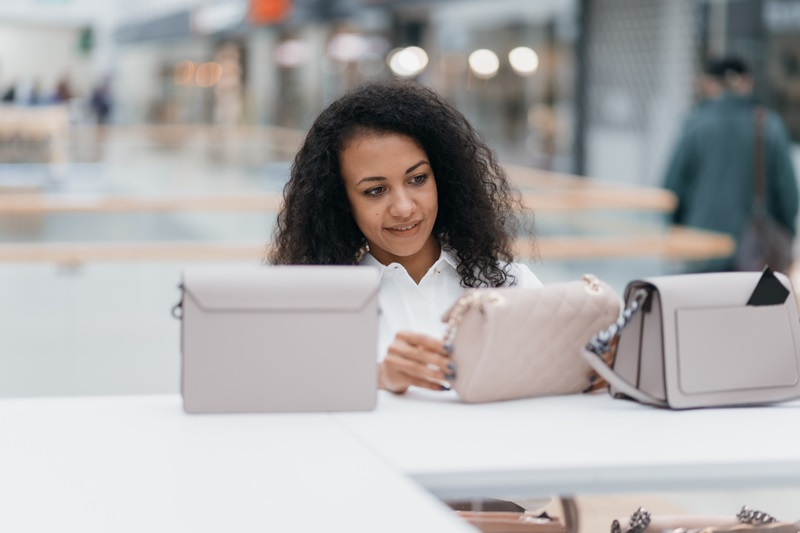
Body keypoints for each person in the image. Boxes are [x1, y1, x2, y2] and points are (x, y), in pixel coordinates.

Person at [269, 79, 542, 394]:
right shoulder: (316, 304)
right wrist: (377, 376)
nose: (403, 207)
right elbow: (280, 392)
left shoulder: (511, 284)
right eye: (375, 190)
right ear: (341, 203)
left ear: (444, 179)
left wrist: (594, 372)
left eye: (418, 179)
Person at [663, 55, 799, 272]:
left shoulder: (694, 124)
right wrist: (784, 238)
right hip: (755, 258)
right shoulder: (769, 126)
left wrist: (678, 236)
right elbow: (789, 198)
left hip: (699, 254)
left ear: (711, 84)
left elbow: (671, 192)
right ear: (748, 83)